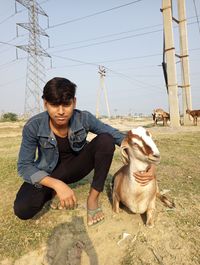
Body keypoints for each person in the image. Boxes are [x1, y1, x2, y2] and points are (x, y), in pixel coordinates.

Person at [14, 77, 155, 226]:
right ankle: (53, 192)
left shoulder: (83, 118)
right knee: (23, 209)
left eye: (66, 105)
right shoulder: (33, 126)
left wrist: (149, 163)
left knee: (106, 140)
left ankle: (93, 199)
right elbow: (24, 166)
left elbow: (118, 136)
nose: (61, 112)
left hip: (76, 167)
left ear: (74, 102)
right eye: (55, 105)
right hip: (49, 173)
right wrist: (57, 185)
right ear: (45, 104)